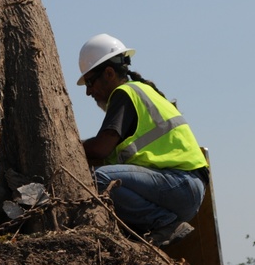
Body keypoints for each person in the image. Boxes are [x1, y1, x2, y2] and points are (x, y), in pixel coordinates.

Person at [78, 34, 209, 246]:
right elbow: (108, 156)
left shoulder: (124, 93)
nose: (88, 91)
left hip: (180, 184)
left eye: (90, 82)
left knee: (100, 179)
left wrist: (70, 148)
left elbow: (100, 149)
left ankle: (163, 224)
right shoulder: (142, 92)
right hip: (184, 189)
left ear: (109, 73)